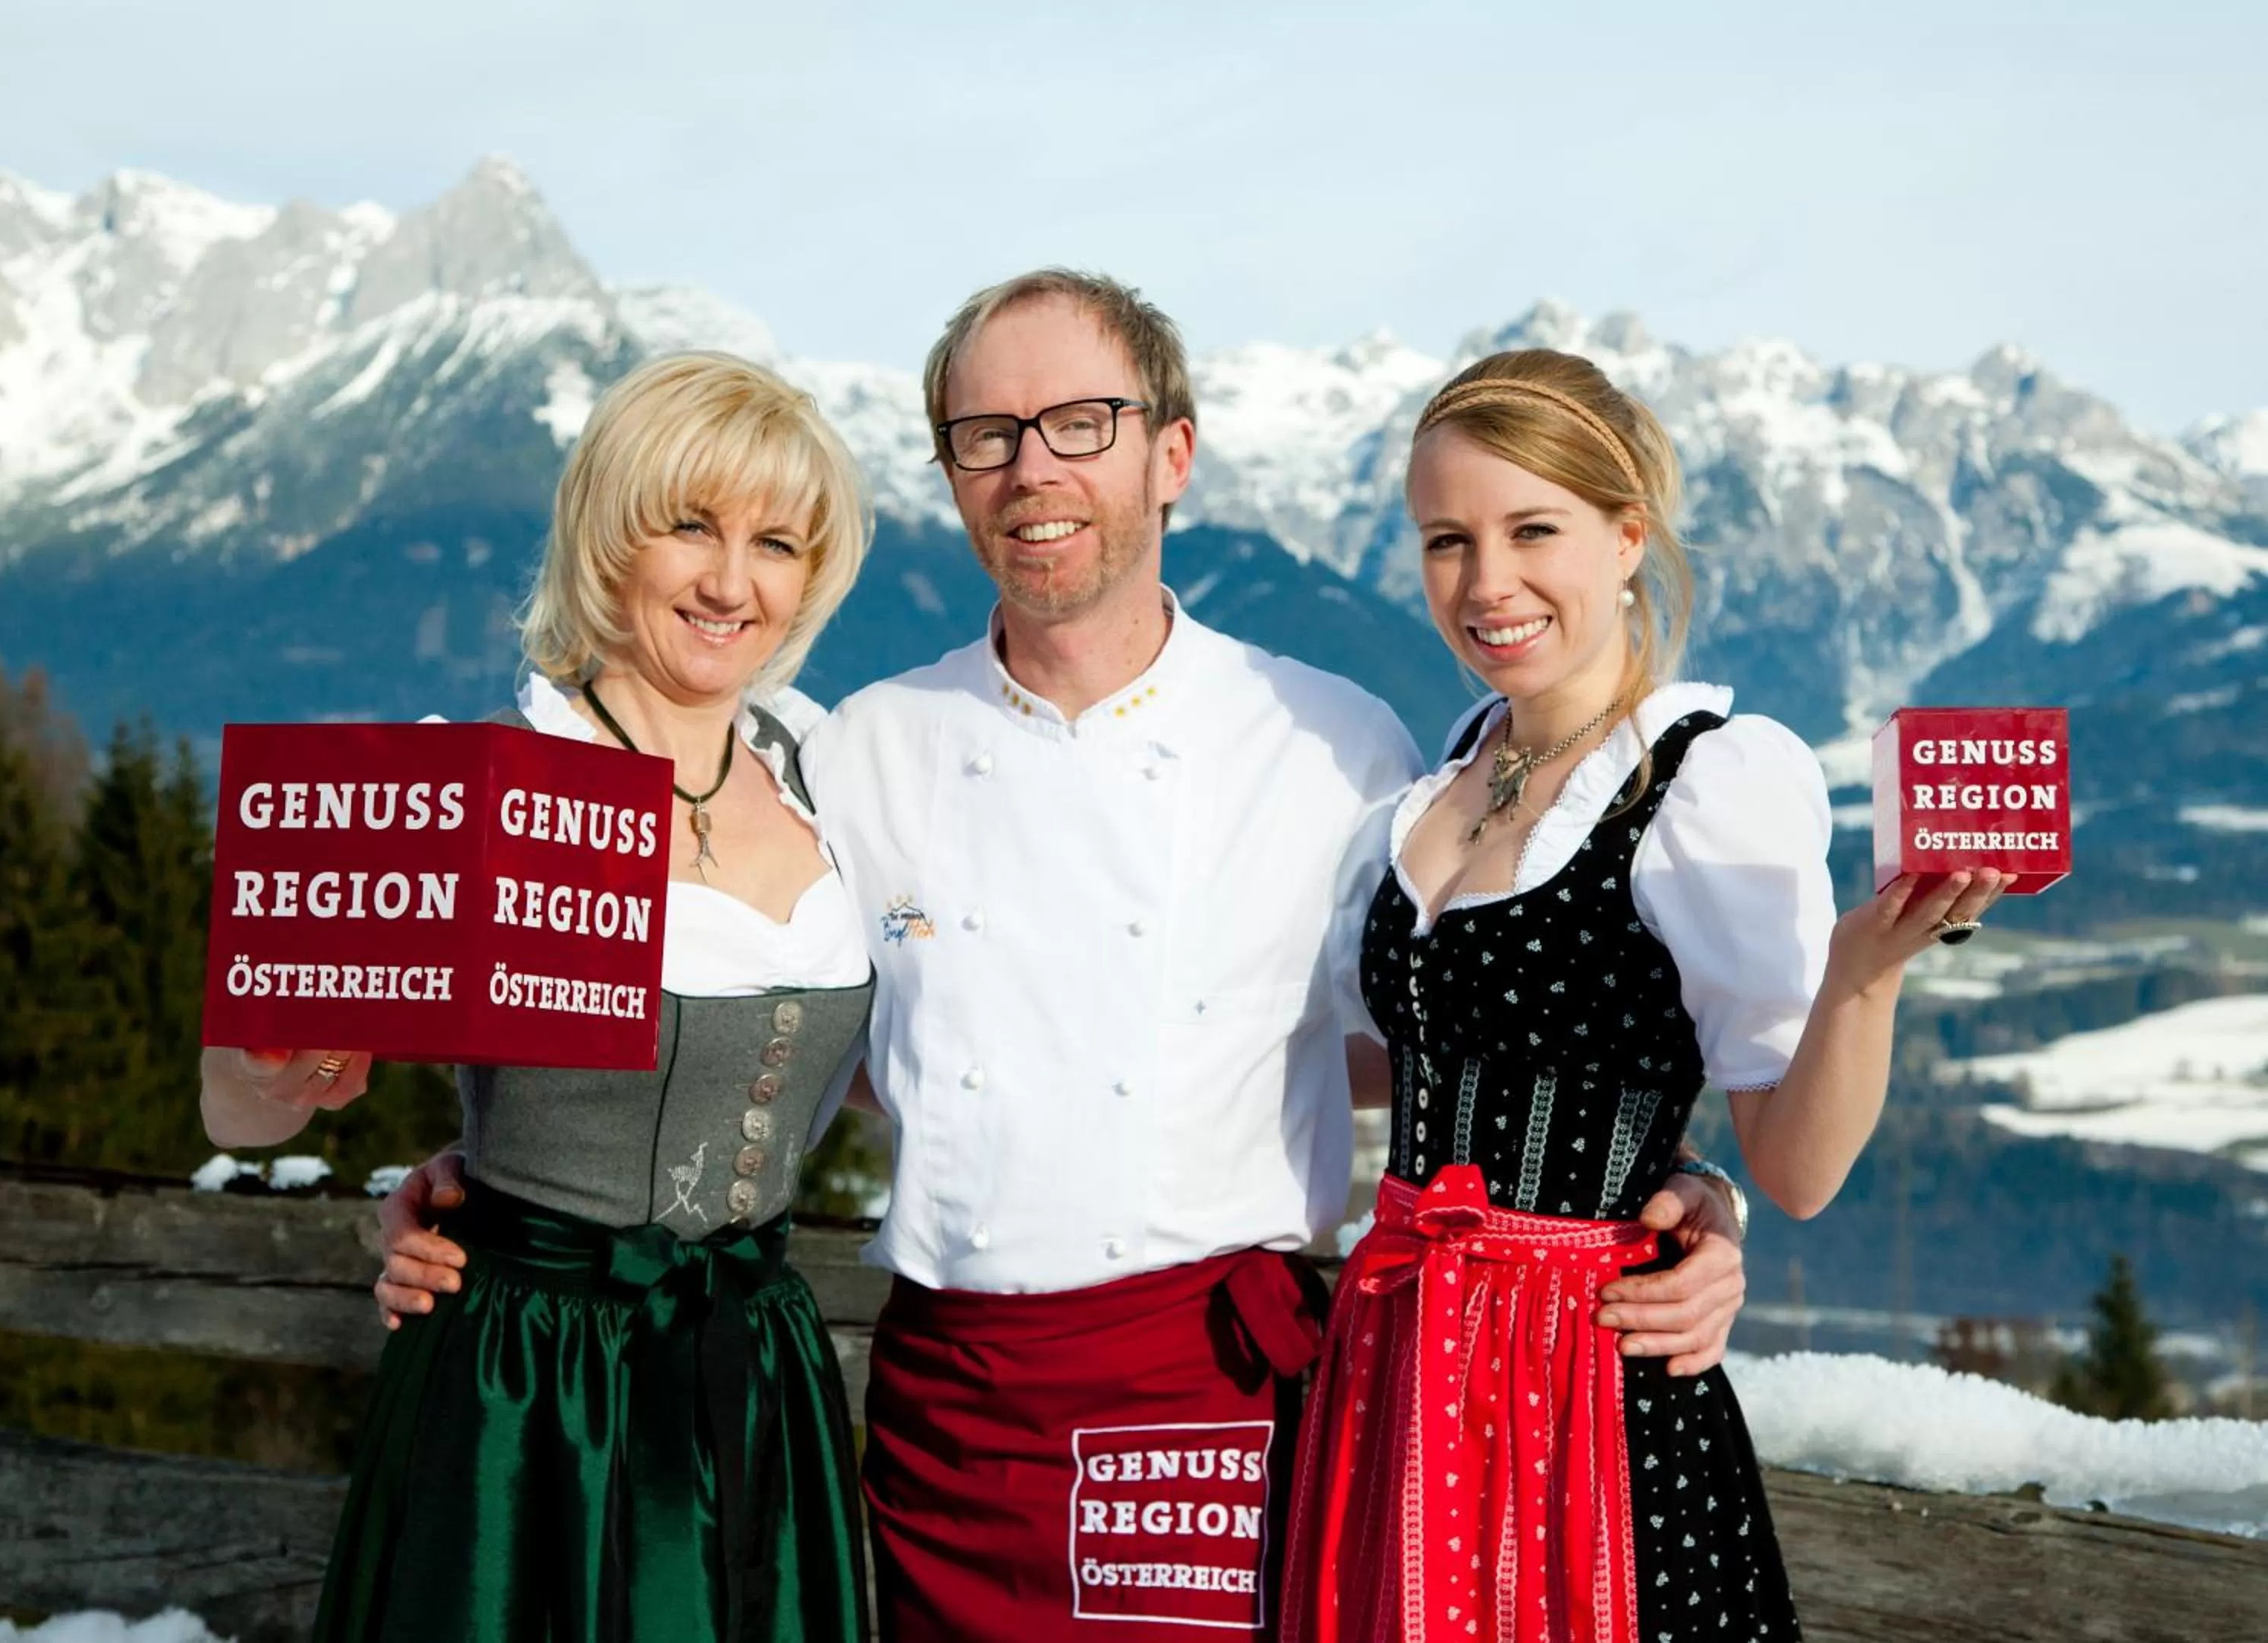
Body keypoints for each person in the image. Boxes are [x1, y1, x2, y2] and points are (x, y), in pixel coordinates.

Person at [375, 274, 1755, 1640]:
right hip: (946, 1419)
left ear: (1174, 454)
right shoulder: (861, 751)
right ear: (953, 475)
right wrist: (513, 1186)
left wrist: (1684, 1193)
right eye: (988, 435)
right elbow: (784, 1026)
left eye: (1082, 423)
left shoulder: (1335, 746)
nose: (1032, 470)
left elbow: (1464, 1041)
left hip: (1207, 1399)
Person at [1277, 350, 2008, 1643]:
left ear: (1626, 537)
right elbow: (1417, 1057)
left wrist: (1861, 975)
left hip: (1584, 1384)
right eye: (1448, 540)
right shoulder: (1448, 770)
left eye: (1532, 531)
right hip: (1397, 1360)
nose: (1486, 583)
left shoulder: (1704, 782)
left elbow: (1797, 1168)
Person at [200, 352, 877, 1643]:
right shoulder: (489, 785)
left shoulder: (826, 769)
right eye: (692, 526)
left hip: (756, 1370)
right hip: (529, 1384)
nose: (732, 583)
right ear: (610, 532)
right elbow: (247, 1112)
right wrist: (289, 1055)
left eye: (777, 544)